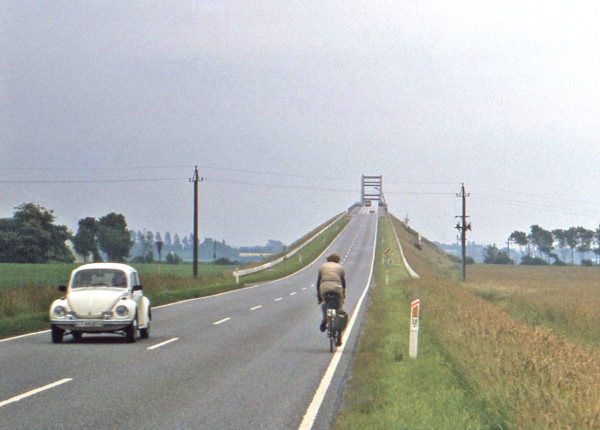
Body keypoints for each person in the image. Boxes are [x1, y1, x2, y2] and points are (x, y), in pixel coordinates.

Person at [316, 252, 346, 346]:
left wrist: (319, 297)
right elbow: (343, 283)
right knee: (339, 310)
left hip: (324, 287)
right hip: (337, 288)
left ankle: (325, 319)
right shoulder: (340, 268)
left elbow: (318, 283)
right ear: (338, 260)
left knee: (325, 304)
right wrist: (343, 296)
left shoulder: (322, 267)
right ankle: (339, 337)